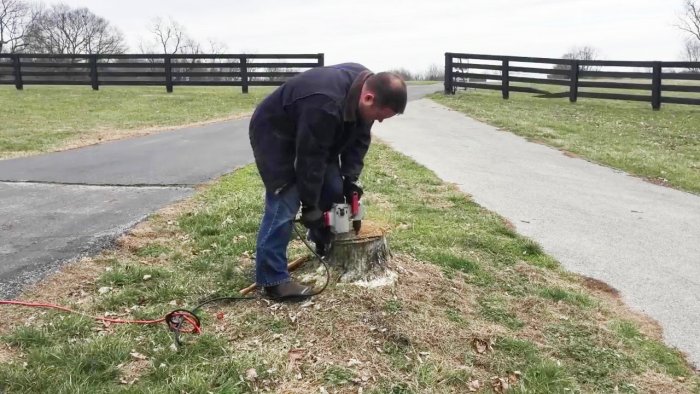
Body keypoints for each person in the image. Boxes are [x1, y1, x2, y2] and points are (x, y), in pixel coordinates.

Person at [248, 62, 407, 301]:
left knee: (333, 188)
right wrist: (310, 206)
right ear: (368, 98)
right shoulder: (325, 102)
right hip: (276, 135)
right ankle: (273, 280)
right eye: (379, 116)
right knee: (285, 203)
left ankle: (324, 243)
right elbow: (310, 158)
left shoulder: (367, 87)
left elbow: (360, 137)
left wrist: (350, 178)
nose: (380, 121)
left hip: (317, 134)